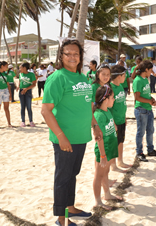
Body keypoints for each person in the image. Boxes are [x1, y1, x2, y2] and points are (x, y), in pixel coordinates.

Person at [41, 39, 102, 226]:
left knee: (72, 174)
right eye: (68, 53)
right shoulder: (57, 77)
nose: (72, 57)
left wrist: (95, 125)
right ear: (61, 56)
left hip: (80, 136)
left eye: (76, 53)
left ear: (81, 56)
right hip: (65, 138)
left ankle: (70, 207)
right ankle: (61, 219)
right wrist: (60, 137)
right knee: (63, 176)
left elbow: (86, 107)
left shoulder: (83, 78)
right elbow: (45, 110)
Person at [93, 84, 123, 211]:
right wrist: (103, 155)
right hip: (103, 150)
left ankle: (107, 194)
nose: (114, 99)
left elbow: (111, 127)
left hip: (110, 147)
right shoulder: (99, 115)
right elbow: (99, 138)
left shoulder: (107, 111)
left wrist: (114, 127)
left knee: (106, 173)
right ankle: (98, 201)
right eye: (112, 97)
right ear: (105, 99)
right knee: (98, 176)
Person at [133, 60, 156, 162]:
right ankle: (139, 152)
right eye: (150, 70)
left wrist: (151, 100)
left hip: (148, 109)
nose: (151, 72)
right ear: (146, 69)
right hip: (141, 109)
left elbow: (145, 94)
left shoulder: (145, 79)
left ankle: (150, 150)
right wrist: (149, 100)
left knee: (150, 130)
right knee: (141, 132)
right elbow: (137, 97)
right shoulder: (138, 80)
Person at [109, 65, 130, 171]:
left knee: (121, 140)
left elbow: (122, 104)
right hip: (114, 121)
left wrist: (125, 117)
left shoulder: (121, 86)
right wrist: (112, 121)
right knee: (114, 143)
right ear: (118, 76)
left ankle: (120, 161)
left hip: (121, 119)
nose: (125, 77)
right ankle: (113, 165)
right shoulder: (110, 88)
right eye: (124, 75)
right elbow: (108, 108)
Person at [17, 62, 37, 127]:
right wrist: (18, 86)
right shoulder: (20, 74)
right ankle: (23, 122)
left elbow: (34, 84)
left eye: (21, 68)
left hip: (28, 92)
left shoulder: (31, 74)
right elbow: (20, 81)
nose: (19, 69)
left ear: (25, 68)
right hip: (21, 91)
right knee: (22, 107)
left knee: (29, 107)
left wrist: (26, 89)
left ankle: (31, 121)